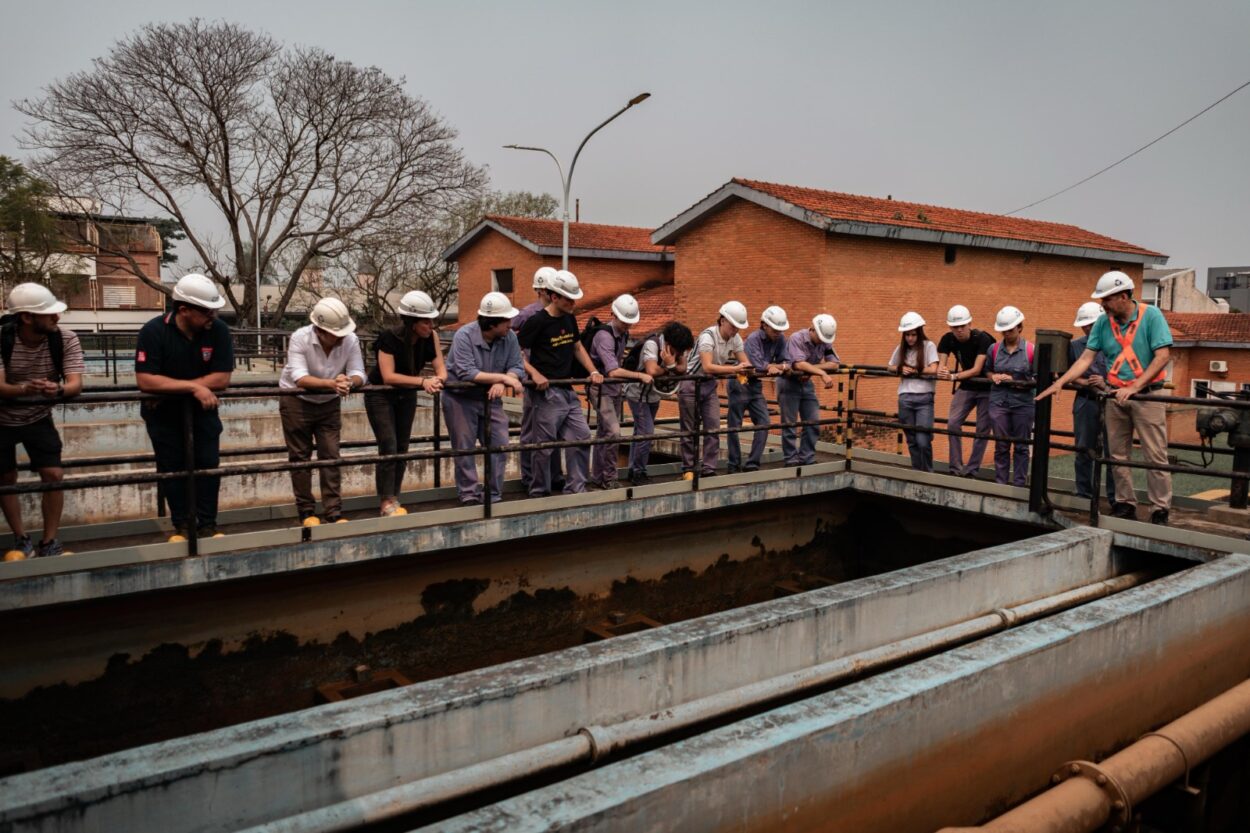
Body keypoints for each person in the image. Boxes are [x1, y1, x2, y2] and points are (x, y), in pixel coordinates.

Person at [1038, 271, 1172, 524]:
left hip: (1147, 395)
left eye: (1107, 299)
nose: (1103, 305)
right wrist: (1061, 381)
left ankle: (1159, 508)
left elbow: (1162, 356)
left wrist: (1135, 387)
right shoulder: (1103, 323)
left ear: (1123, 296)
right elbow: (1086, 358)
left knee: (1155, 454)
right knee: (1117, 455)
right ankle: (1125, 504)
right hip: (1114, 396)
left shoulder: (1151, 316)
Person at [135, 273, 233, 541]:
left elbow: (222, 378)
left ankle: (207, 523)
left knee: (208, 465)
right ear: (184, 309)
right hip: (163, 416)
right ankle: (182, 523)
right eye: (205, 310)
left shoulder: (219, 331)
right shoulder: (154, 331)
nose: (212, 315)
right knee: (172, 468)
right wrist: (195, 388)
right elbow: (145, 379)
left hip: (203, 413)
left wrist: (170, 387)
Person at [0, 283, 84, 559]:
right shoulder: (3, 340)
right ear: (26, 317)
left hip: (39, 416)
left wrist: (56, 390)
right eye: (49, 314)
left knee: (53, 475)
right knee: (6, 477)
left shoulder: (65, 339)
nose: (56, 318)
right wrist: (27, 388)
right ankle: (21, 538)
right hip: (1, 419)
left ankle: (49, 541)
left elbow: (74, 384)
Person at [278, 297, 366, 526]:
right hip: (296, 400)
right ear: (319, 330)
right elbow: (299, 377)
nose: (340, 338)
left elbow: (359, 372)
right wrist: (332, 384)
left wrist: (349, 382)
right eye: (335, 334)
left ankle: (333, 510)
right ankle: (306, 511)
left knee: (331, 455)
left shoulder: (350, 339)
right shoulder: (300, 338)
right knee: (300, 457)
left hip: (329, 401)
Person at [518, 270, 603, 496]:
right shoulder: (536, 321)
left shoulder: (569, 318)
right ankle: (539, 492)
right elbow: (515, 353)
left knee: (582, 435)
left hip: (566, 390)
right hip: (545, 394)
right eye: (568, 299)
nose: (573, 303)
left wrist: (593, 370)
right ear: (554, 297)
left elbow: (576, 346)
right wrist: (534, 374)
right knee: (544, 446)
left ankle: (575, 488)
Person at [364, 290, 446, 517]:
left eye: (431, 320)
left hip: (407, 394)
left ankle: (394, 497)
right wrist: (422, 381)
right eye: (425, 321)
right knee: (388, 444)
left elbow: (441, 368)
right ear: (411, 322)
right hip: (381, 393)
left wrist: (437, 380)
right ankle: (385, 500)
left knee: (402, 446)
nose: (430, 325)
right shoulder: (389, 338)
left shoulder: (432, 337)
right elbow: (388, 376)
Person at [443, 291, 525, 505]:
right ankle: (469, 493)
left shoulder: (510, 338)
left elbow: (517, 365)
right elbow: (467, 372)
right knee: (464, 447)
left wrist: (503, 380)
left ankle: (493, 492)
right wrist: (502, 379)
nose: (510, 324)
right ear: (492, 323)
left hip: (490, 398)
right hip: (460, 398)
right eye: (506, 320)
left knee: (499, 443)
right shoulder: (464, 336)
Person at [588, 294, 652, 489]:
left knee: (605, 433)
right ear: (613, 315)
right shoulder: (604, 336)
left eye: (629, 322)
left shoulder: (622, 334)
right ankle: (608, 478)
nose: (627, 326)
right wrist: (639, 376)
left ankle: (599, 476)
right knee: (614, 432)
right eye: (624, 322)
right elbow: (613, 370)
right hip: (601, 389)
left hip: (612, 388)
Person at [682, 301, 750, 479]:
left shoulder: (735, 339)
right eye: (733, 326)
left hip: (709, 385)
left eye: (738, 327)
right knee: (690, 427)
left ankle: (708, 467)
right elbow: (707, 366)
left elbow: (745, 362)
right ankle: (688, 467)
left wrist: (748, 369)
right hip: (691, 382)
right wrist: (736, 369)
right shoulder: (708, 336)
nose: (735, 330)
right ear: (722, 321)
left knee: (713, 426)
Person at [622, 321, 694, 486]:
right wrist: (670, 367)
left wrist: (670, 364)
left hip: (653, 395)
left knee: (640, 433)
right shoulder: (652, 345)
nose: (680, 354)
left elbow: (683, 368)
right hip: (638, 394)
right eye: (678, 351)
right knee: (647, 432)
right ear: (669, 344)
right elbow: (652, 370)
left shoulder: (678, 348)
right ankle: (639, 472)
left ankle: (634, 469)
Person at [514, 266, 561, 493]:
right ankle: (529, 476)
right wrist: (527, 371)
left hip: (551, 380)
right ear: (541, 290)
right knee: (531, 431)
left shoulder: (558, 314)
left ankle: (553, 476)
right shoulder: (526, 315)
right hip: (533, 381)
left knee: (552, 430)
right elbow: (511, 345)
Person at [936, 305, 995, 477]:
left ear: (970, 323)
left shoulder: (983, 338)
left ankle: (972, 470)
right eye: (955, 327)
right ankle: (955, 468)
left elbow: (977, 369)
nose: (959, 330)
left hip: (986, 387)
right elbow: (941, 365)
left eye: (963, 326)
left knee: (982, 430)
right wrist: (942, 370)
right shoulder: (948, 339)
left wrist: (953, 377)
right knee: (953, 423)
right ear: (950, 327)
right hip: (967, 386)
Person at [729, 306, 789, 472]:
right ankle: (733, 464)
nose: (778, 332)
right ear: (764, 325)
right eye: (775, 329)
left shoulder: (780, 339)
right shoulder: (753, 339)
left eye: (780, 329)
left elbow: (786, 361)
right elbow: (755, 364)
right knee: (734, 425)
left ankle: (752, 463)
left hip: (755, 385)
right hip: (740, 382)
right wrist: (771, 366)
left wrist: (776, 366)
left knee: (764, 423)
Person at [777, 314, 840, 467]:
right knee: (789, 424)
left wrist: (811, 370)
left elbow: (834, 364)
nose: (823, 342)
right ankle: (791, 459)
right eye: (820, 338)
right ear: (812, 329)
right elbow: (798, 364)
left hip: (806, 383)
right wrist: (821, 373)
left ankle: (806, 457)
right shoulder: (796, 338)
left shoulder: (825, 343)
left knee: (813, 422)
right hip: (788, 383)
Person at [1069, 301, 1116, 502]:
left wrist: (1105, 381)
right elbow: (1067, 375)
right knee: (1083, 448)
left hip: (1111, 401)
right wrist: (1086, 382)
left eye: (1091, 324)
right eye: (1084, 325)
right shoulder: (1075, 346)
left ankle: (1116, 498)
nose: (1087, 328)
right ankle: (1084, 494)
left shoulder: (1115, 343)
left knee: (1113, 452)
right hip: (1086, 401)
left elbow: (1125, 374)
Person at [986, 306, 1036, 486]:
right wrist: (994, 377)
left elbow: (1037, 378)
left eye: (1010, 330)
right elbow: (988, 371)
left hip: (1022, 404)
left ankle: (1019, 484)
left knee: (1021, 446)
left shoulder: (1031, 350)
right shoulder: (994, 349)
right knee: (1001, 444)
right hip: (999, 402)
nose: (1007, 333)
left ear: (1020, 328)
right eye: (1003, 330)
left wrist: (1015, 379)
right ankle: (1001, 483)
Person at [888, 311, 938, 472]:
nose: (910, 338)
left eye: (913, 334)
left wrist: (917, 370)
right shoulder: (901, 348)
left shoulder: (928, 346)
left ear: (919, 332)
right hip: (905, 398)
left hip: (924, 398)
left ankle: (928, 472)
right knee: (911, 439)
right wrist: (901, 369)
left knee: (923, 439)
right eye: (907, 334)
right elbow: (890, 366)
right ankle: (917, 471)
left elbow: (934, 369)